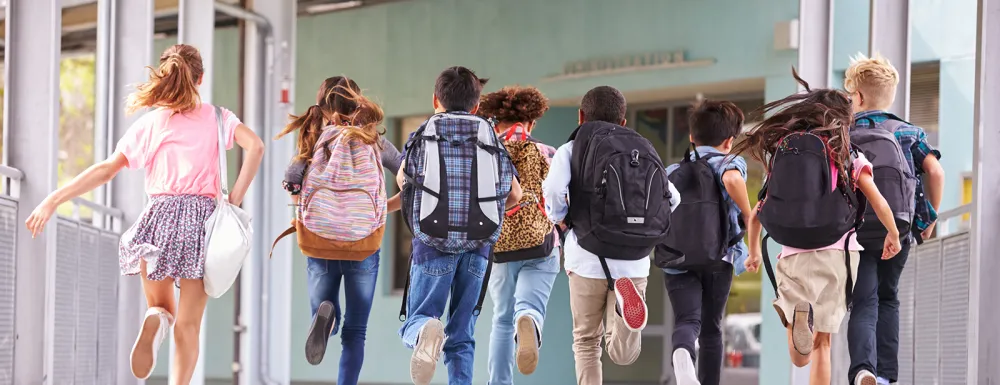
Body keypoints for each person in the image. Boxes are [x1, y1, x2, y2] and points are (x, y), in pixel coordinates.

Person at [24, 44, 264, 384]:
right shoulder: (217, 117)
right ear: (200, 78)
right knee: (189, 325)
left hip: (158, 220)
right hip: (203, 224)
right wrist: (233, 201)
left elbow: (106, 170)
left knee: (164, 309)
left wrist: (54, 198)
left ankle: (155, 318)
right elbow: (256, 147)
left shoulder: (151, 123)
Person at [740, 70, 902, 385]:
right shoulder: (847, 154)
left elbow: (758, 212)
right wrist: (893, 234)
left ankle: (801, 318)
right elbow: (878, 200)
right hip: (837, 254)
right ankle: (809, 323)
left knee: (800, 355)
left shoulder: (783, 154)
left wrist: (753, 251)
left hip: (792, 254)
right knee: (823, 344)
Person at [543, 85, 680, 385]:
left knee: (586, 343)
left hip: (587, 258)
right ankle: (624, 312)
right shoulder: (643, 147)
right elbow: (674, 198)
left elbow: (553, 190)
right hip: (634, 263)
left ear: (581, 117)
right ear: (623, 121)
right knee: (623, 355)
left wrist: (559, 218)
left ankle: (622, 313)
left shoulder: (573, 147)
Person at [396, 66, 523, 385]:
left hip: (433, 242)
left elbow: (403, 181)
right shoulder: (488, 134)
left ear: (435, 99)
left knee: (418, 319)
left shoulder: (424, 132)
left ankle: (425, 330)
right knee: (462, 335)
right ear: (477, 105)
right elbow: (514, 193)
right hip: (479, 245)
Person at [275, 76, 401, 385]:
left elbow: (293, 182)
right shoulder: (374, 140)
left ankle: (326, 315)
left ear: (321, 107)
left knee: (324, 310)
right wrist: (381, 210)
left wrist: (298, 214)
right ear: (358, 103)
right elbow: (409, 177)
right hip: (363, 243)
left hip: (319, 239)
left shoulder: (313, 138)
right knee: (356, 331)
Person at [843, 53, 945, 385]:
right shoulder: (908, 132)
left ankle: (862, 369)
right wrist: (927, 218)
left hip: (855, 229)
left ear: (857, 97)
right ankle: (886, 376)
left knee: (864, 299)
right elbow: (935, 171)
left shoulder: (844, 134)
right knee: (888, 297)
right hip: (897, 228)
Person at [660, 100, 753, 385]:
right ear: (729, 140)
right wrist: (750, 218)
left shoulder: (671, 170)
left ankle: (682, 354)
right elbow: (733, 181)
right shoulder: (730, 162)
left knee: (687, 321)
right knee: (712, 330)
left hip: (677, 258)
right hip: (717, 258)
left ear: (691, 137)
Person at [477, 86, 559, 383]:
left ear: (494, 121)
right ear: (531, 122)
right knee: (529, 306)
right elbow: (559, 200)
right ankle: (529, 321)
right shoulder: (545, 152)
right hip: (540, 245)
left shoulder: (484, 153)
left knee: (501, 319)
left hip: (499, 248)